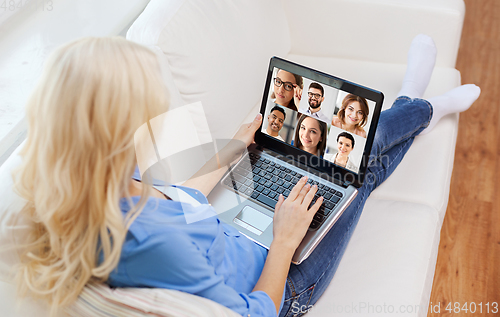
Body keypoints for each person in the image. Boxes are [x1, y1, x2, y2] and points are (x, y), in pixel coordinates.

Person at [13, 35, 480, 317]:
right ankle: (421, 106)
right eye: (142, 117)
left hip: (233, 225)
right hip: (283, 280)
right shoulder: (151, 246)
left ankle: (415, 105)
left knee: (339, 164)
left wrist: (237, 146)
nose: (151, 125)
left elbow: (181, 202)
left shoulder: (89, 179)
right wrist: (284, 238)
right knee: (352, 168)